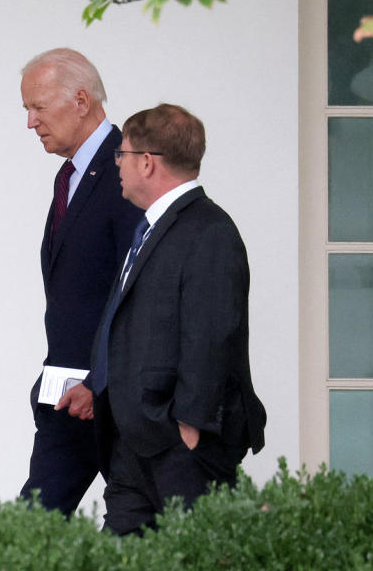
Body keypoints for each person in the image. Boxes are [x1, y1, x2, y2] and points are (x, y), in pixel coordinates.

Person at [85, 103, 267, 535]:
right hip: (132, 441)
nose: (118, 167)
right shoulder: (150, 227)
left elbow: (213, 333)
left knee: (192, 557)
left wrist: (189, 426)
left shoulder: (210, 231)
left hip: (179, 447)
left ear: (147, 162)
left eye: (122, 155)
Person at [18, 48, 144, 516]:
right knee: (31, 524)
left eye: (39, 107)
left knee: (140, 528)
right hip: (65, 398)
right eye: (27, 109)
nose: (31, 122)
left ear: (81, 101)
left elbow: (134, 292)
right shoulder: (70, 175)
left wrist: (100, 380)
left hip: (111, 401)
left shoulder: (125, 171)